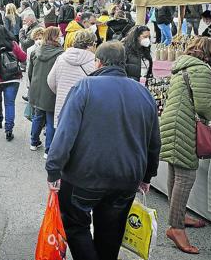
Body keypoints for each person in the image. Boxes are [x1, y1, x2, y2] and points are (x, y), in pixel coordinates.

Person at [45, 41, 161, 260]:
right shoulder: (144, 93)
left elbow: (65, 133)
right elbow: (154, 142)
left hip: (84, 176)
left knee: (76, 226)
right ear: (123, 63)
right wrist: (147, 176)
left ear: (98, 62)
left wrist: (54, 169)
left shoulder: (84, 87)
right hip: (126, 177)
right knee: (111, 233)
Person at [159, 37, 211, 254]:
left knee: (176, 172)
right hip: (184, 124)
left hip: (172, 121)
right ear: (210, 54)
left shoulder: (183, 66)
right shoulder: (201, 70)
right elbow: (204, 106)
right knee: (186, 175)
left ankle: (178, 216)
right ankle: (175, 227)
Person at [47, 30, 97, 136]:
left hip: (63, 105)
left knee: (63, 139)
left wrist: (61, 92)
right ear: (90, 45)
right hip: (84, 108)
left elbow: (50, 81)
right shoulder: (94, 63)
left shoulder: (61, 58)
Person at [28, 27, 64, 157]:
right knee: (51, 120)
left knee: (37, 116)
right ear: (54, 37)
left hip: (37, 88)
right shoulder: (60, 54)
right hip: (51, 90)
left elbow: (30, 72)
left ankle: (34, 141)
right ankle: (48, 150)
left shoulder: (36, 51)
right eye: (59, 35)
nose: (61, 36)